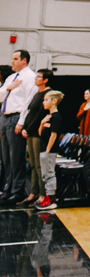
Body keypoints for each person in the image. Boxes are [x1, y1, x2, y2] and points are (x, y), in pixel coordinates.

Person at [0, 50, 38, 205]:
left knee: (16, 157)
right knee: (6, 157)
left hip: (16, 117)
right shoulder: (10, 77)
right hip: (5, 116)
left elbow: (29, 102)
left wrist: (21, 121)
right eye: (12, 59)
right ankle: (8, 188)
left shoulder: (30, 77)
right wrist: (8, 88)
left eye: (15, 59)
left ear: (24, 61)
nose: (12, 62)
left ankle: (18, 191)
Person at [19, 68, 53, 207]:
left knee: (39, 166)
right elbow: (30, 111)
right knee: (32, 165)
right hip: (30, 132)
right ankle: (33, 193)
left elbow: (40, 115)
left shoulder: (48, 94)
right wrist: (24, 127)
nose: (36, 78)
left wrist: (28, 128)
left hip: (38, 133)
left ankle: (42, 194)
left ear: (45, 80)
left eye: (39, 77)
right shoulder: (37, 93)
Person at [34, 90, 64, 211]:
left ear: (54, 101)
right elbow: (40, 133)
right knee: (45, 174)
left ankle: (51, 199)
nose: (43, 102)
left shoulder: (56, 117)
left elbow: (54, 135)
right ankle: (48, 197)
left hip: (49, 151)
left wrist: (47, 150)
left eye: (46, 100)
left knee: (50, 174)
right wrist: (42, 123)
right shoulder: (48, 117)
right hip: (43, 149)